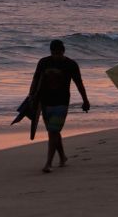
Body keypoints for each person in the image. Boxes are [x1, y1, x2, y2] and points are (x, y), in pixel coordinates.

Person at [30, 39, 90, 173]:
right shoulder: (44, 62)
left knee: (53, 131)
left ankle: (48, 163)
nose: (56, 56)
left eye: (59, 53)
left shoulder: (71, 64)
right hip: (44, 101)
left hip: (61, 102)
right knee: (53, 131)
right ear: (50, 52)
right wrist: (31, 96)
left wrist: (85, 100)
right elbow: (35, 79)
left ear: (63, 51)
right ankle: (62, 157)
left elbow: (79, 83)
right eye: (54, 53)